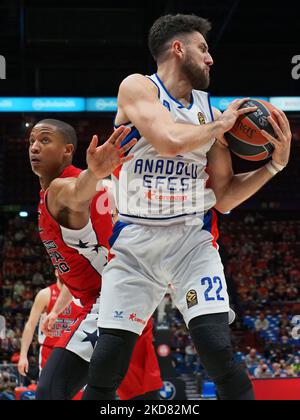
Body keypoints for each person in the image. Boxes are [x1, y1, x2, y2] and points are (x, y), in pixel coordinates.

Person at [82, 13, 292, 401]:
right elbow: (166, 140)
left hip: (190, 241)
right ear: (178, 49)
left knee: (216, 348)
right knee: (108, 361)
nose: (211, 59)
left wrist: (274, 165)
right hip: (134, 242)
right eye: (203, 49)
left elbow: (225, 197)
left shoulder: (211, 112)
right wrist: (220, 126)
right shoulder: (138, 87)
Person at [28, 119, 162, 400]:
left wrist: (94, 172)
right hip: (123, 294)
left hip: (112, 299)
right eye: (31, 142)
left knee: (51, 391)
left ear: (67, 150)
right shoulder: (92, 186)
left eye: (44, 140)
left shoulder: (61, 189)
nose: (35, 148)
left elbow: (77, 193)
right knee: (121, 397)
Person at [18, 273, 81, 376]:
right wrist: (23, 355)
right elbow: (30, 326)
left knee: (77, 392)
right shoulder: (45, 294)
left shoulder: (81, 295)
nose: (63, 272)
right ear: (56, 272)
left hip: (75, 351)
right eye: (60, 269)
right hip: (50, 351)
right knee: (49, 391)